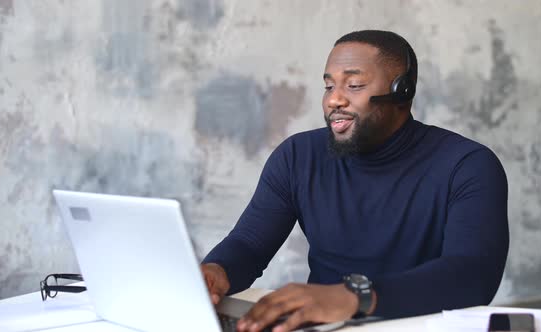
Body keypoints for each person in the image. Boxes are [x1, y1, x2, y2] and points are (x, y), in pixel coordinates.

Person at [201, 30, 509, 332]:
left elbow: (472, 276)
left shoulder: (467, 165)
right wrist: (218, 271)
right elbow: (249, 245)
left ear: (402, 92)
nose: (334, 99)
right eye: (328, 85)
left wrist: (355, 297)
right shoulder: (297, 156)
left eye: (354, 84)